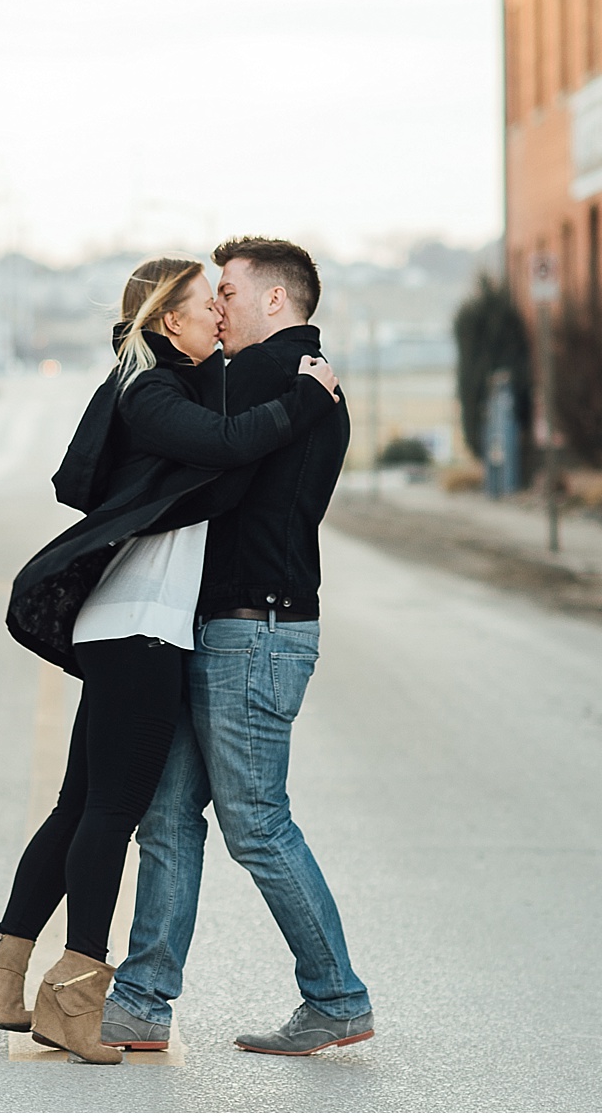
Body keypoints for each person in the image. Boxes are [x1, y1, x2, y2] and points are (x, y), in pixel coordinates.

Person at [0, 254, 341, 1064]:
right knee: (114, 813)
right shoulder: (153, 392)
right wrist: (307, 396)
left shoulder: (172, 384)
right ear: (168, 320)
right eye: (207, 303)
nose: (219, 313)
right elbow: (232, 440)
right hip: (142, 631)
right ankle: (77, 1003)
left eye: (226, 298)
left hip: (134, 626)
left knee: (81, 806)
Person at [100, 236, 376, 1058]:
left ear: (277, 301)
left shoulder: (271, 378)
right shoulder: (299, 380)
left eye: (228, 290)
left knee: (255, 822)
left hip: (255, 629)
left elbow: (181, 427)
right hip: (226, 627)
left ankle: (336, 997)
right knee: (169, 814)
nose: (217, 306)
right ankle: (141, 1004)